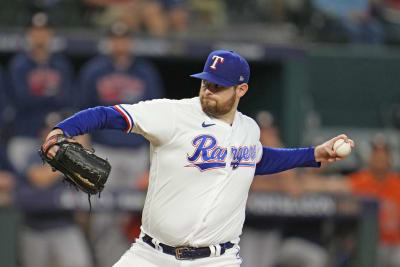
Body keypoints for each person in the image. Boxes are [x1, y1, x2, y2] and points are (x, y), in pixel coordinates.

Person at [41, 49, 355, 267]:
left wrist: (312, 155)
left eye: (218, 87)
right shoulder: (173, 114)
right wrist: (62, 130)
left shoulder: (249, 129)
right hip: (151, 255)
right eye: (206, 83)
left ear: (241, 90)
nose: (208, 91)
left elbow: (257, 159)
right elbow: (107, 114)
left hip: (218, 259)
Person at [78, 21, 165, 267]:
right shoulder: (94, 70)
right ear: (109, 42)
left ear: (131, 42)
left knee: (135, 217)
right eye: (115, 38)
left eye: (124, 38)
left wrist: (152, 163)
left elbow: (157, 120)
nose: (120, 43)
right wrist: (86, 154)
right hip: (104, 152)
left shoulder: (145, 72)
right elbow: (83, 115)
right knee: (103, 217)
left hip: (136, 153)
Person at [17, 112, 92, 267]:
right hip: (35, 228)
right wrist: (69, 158)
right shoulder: (35, 154)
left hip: (66, 226)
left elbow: (90, 184)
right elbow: (39, 179)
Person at [7, 12, 75, 171]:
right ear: (28, 34)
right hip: (25, 135)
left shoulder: (61, 65)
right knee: (24, 183)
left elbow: (68, 99)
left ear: (51, 34)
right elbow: (21, 100)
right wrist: (51, 97)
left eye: (44, 31)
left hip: (55, 137)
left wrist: (41, 98)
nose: (40, 36)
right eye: (35, 31)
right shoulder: (18, 65)